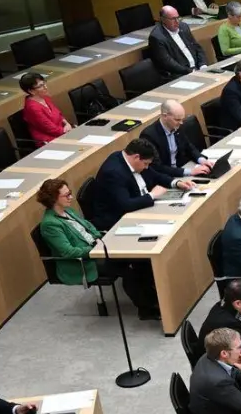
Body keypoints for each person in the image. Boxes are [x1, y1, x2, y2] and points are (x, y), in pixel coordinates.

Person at [37, 178, 159, 317]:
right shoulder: (50, 224)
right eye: (66, 195)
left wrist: (99, 237)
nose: (71, 197)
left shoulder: (67, 210)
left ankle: (154, 298)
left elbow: (87, 226)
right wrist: (96, 250)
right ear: (53, 199)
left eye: (70, 192)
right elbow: (68, 251)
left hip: (96, 248)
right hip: (83, 262)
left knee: (138, 259)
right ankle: (146, 309)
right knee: (128, 268)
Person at [89, 138, 190, 232]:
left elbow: (155, 175)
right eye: (145, 164)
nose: (146, 167)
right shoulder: (113, 173)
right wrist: (152, 195)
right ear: (136, 157)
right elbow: (126, 205)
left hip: (141, 207)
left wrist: (176, 183)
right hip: (118, 221)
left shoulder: (132, 161)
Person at [141, 100, 211, 178]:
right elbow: (157, 167)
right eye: (177, 120)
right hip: (165, 177)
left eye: (182, 119)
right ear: (165, 116)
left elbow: (188, 146)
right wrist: (189, 172)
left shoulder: (177, 127)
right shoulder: (149, 135)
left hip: (181, 168)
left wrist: (201, 160)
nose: (181, 123)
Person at [147, 6, 207, 78]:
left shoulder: (183, 27)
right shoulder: (157, 37)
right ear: (163, 19)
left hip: (198, 69)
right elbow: (168, 63)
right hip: (180, 75)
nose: (177, 21)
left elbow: (197, 47)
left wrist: (203, 65)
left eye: (178, 18)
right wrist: (190, 72)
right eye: (173, 19)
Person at [19, 72, 70, 145]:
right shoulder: (32, 108)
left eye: (44, 83)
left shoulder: (45, 97)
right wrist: (66, 131)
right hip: (48, 141)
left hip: (62, 133)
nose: (45, 87)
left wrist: (67, 123)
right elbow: (50, 129)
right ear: (31, 91)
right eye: (40, 86)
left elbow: (59, 114)